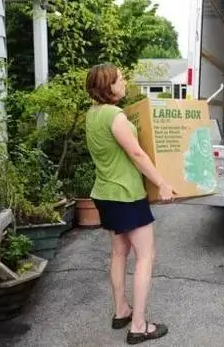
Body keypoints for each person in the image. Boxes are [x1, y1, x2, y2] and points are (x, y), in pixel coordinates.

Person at [85, 64, 175, 344]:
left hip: (105, 193)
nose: (124, 82)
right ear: (108, 86)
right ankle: (138, 326)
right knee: (146, 256)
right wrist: (161, 183)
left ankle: (121, 310)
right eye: (120, 79)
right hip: (126, 194)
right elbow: (136, 153)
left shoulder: (92, 114)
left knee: (119, 253)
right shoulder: (115, 116)